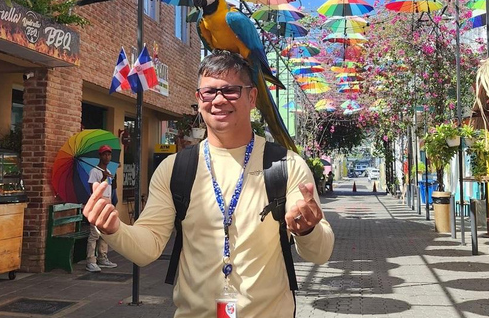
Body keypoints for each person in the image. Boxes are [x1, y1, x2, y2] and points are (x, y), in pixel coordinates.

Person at [85, 51, 334, 318]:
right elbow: (149, 246)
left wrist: (308, 230)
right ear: (198, 99)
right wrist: (114, 229)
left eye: (230, 91)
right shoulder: (175, 168)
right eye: (209, 92)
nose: (218, 100)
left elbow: (320, 254)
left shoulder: (286, 165)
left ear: (252, 97)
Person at [85, 145, 117, 272]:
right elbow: (93, 190)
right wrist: (103, 179)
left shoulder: (108, 171)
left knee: (105, 233)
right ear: (100, 156)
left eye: (109, 154)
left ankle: (102, 257)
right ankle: (90, 260)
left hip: (106, 205)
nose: (107, 157)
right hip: (97, 205)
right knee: (94, 234)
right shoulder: (95, 172)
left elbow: (110, 191)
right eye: (104, 154)